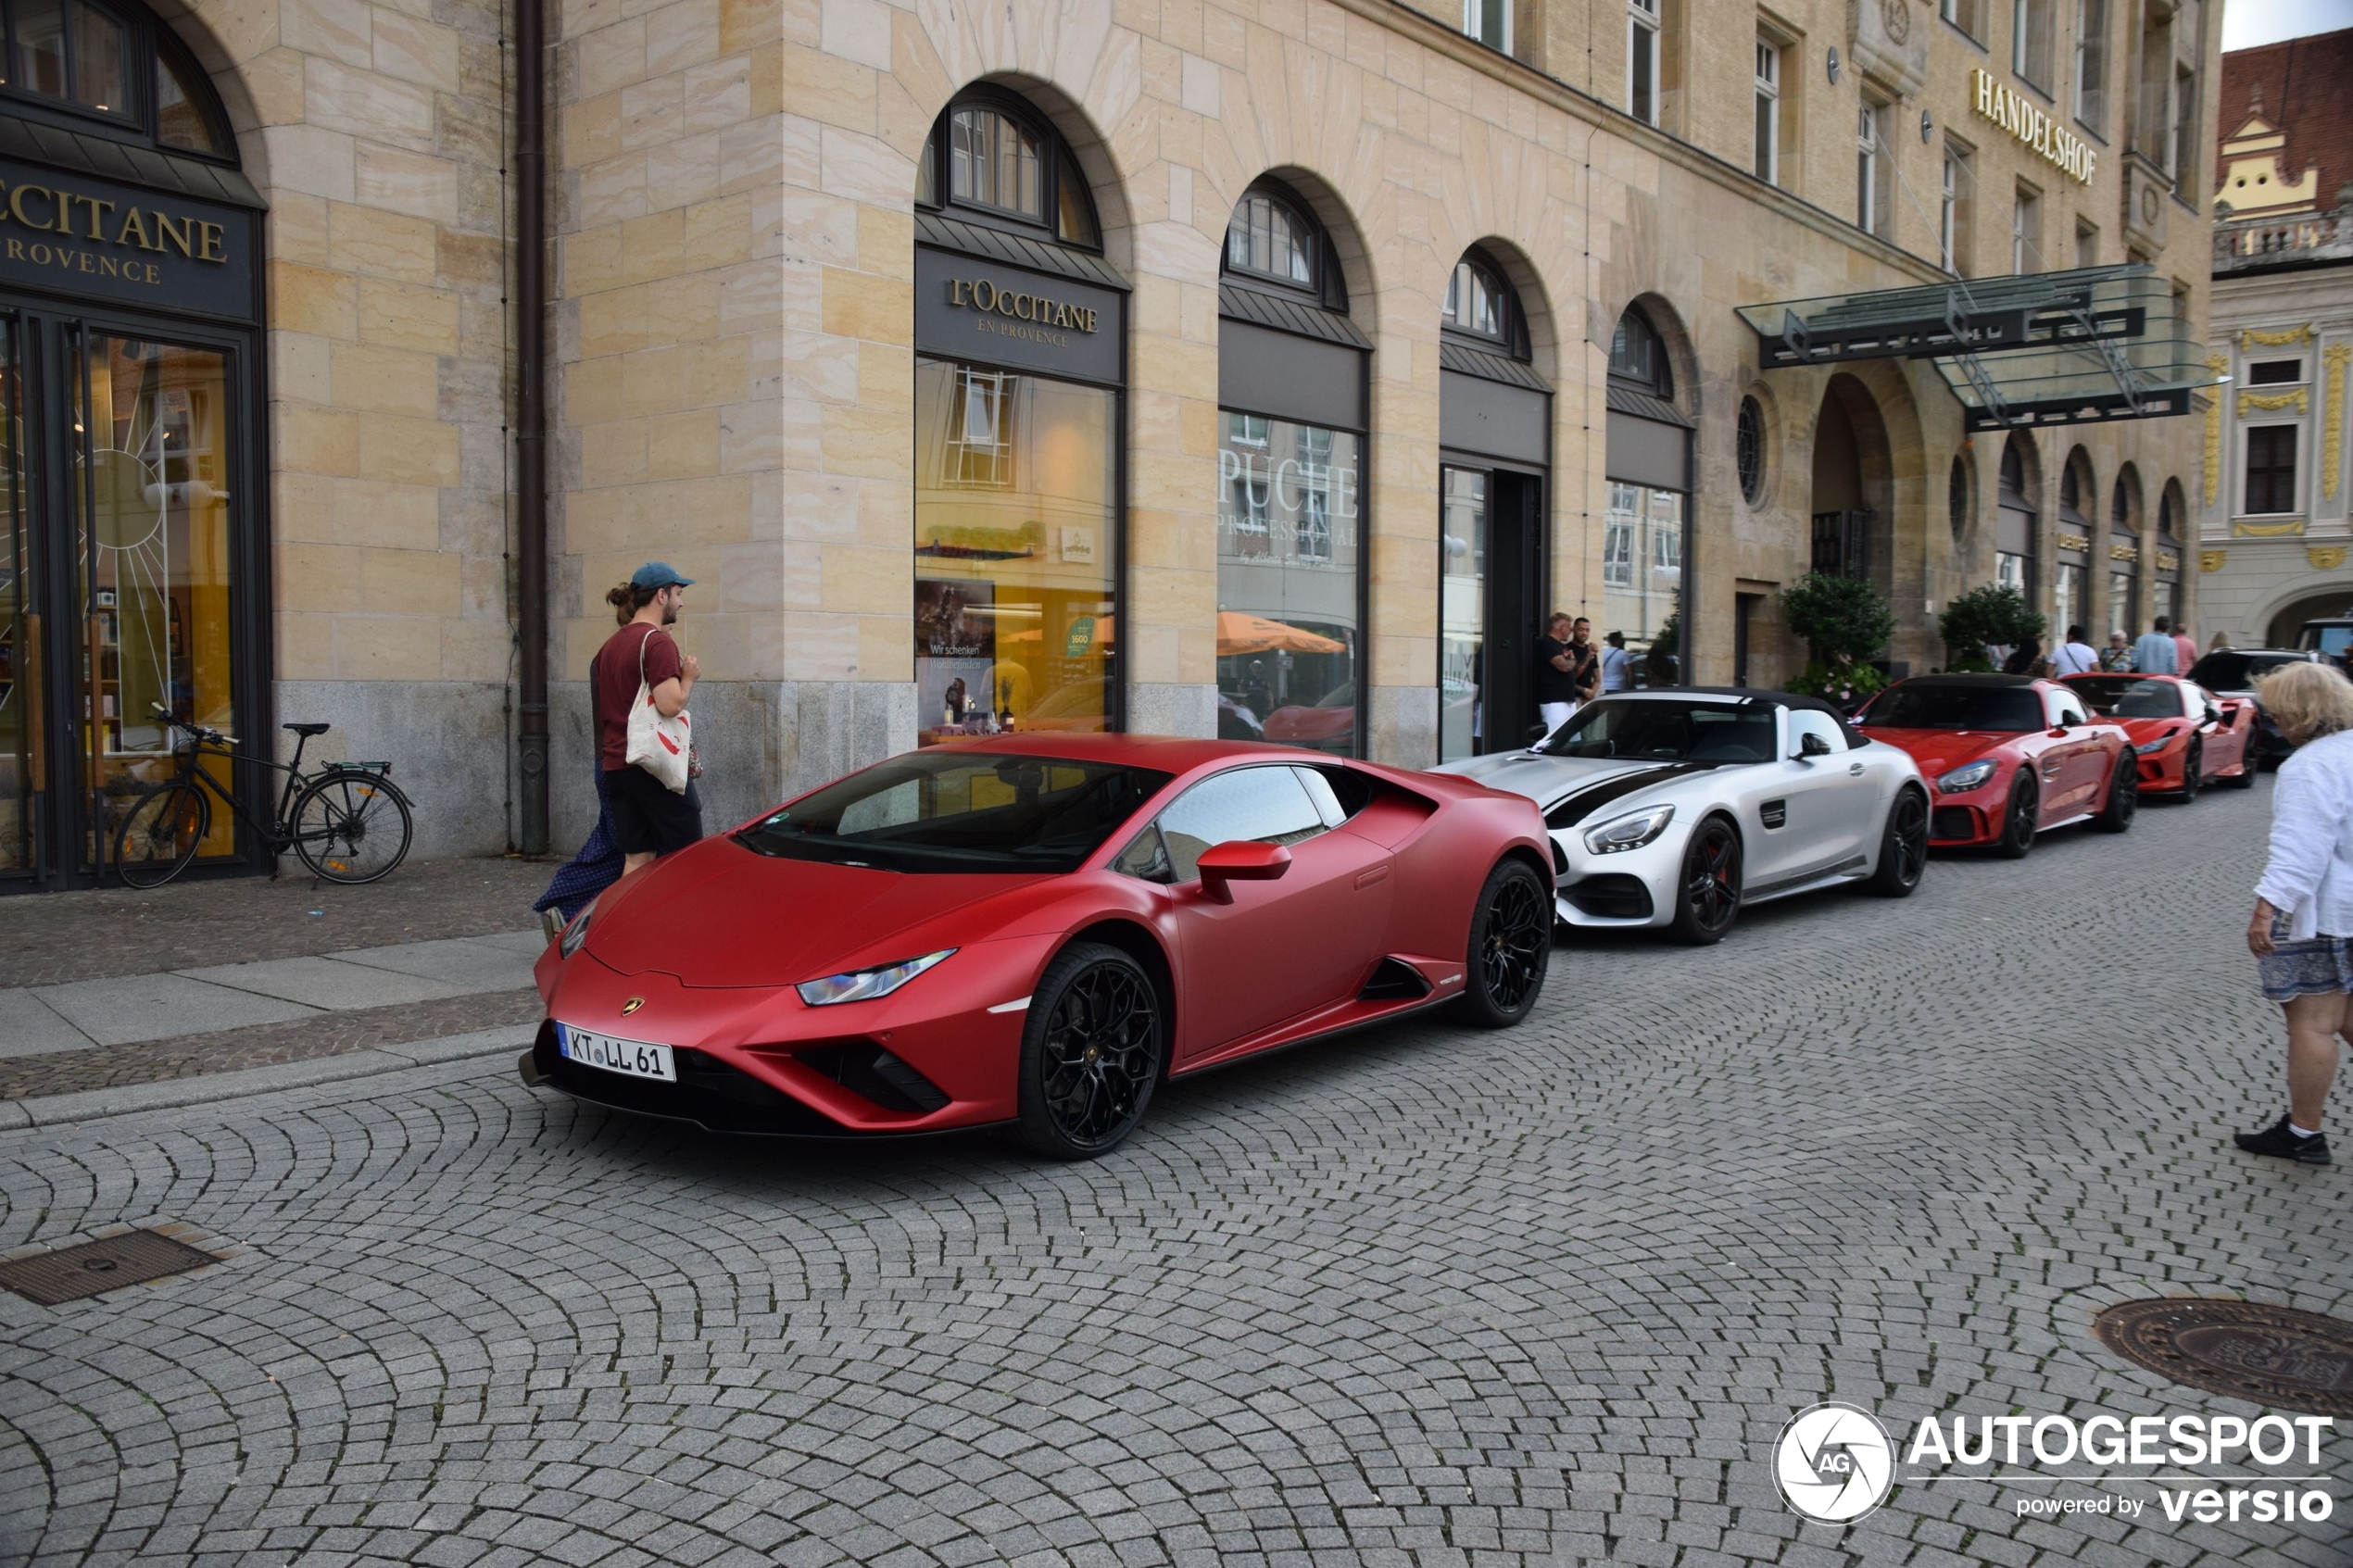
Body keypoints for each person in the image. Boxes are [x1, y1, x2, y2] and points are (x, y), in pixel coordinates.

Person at [2238, 661, 2353, 1165]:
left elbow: (2301, 851)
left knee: (2314, 1023)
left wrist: (2267, 910)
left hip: (2331, 913)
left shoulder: (2311, 766)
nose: (2274, 722)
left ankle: (2304, 1134)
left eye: (2278, 712)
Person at [595, 562, 703, 877]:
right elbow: (671, 704)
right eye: (678, 594)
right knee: (689, 854)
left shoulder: (611, 645)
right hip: (652, 765)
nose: (680, 602)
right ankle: (683, 923)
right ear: (661, 595)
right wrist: (689, 678)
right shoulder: (657, 642)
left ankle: (628, 923)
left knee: (637, 858)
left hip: (617, 763)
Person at [1535, 612, 1579, 736]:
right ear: (1562, 627)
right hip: (1554, 701)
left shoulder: (1561, 645)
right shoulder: (1547, 643)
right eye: (1569, 628)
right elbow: (1564, 666)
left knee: (1570, 738)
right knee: (1556, 737)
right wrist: (1573, 660)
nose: (1570, 632)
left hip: (1566, 699)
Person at [1567, 618, 1602, 707]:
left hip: (1588, 699)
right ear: (1573, 629)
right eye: (1581, 629)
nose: (1584, 633)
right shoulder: (1566, 649)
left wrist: (1591, 693)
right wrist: (1585, 691)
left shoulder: (1590, 650)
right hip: (1571, 699)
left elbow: (1597, 679)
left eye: (1587, 630)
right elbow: (1570, 677)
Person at [1600, 630, 1633, 694]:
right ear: (1617, 640)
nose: (1624, 641)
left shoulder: (1603, 653)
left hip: (1605, 687)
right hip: (1620, 687)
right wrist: (1630, 686)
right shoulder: (1624, 654)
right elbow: (1630, 672)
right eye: (1621, 639)